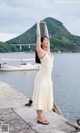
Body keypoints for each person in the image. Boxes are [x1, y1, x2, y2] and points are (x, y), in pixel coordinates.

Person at [32, 21, 54, 125]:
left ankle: (39, 115)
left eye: (47, 40)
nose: (47, 41)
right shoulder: (40, 50)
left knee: (44, 97)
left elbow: (47, 36)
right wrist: (37, 24)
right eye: (45, 40)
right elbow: (38, 36)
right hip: (41, 79)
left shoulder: (48, 50)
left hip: (48, 79)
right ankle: (40, 119)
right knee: (40, 97)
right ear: (41, 43)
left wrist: (45, 25)